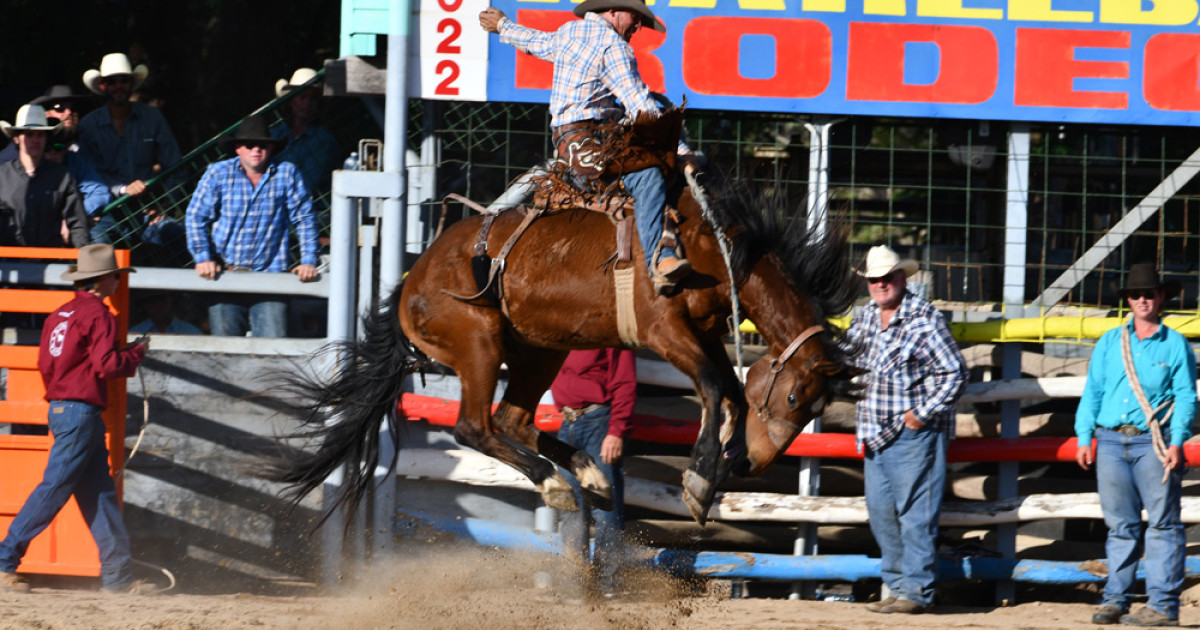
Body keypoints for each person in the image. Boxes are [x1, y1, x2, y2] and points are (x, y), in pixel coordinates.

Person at [479, 0, 694, 294]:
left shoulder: (570, 32)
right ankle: (660, 259)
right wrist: (681, 152)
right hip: (591, 142)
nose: (638, 26)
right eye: (635, 17)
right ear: (614, 10)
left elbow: (536, 42)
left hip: (574, 141)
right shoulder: (614, 47)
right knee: (649, 176)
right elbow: (642, 108)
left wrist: (502, 25)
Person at [0, 244, 153, 595]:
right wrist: (135, 354)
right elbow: (106, 365)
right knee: (56, 487)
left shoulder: (60, 315)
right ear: (104, 279)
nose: (118, 281)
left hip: (64, 408)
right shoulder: (100, 315)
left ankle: (118, 576)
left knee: (97, 491)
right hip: (81, 411)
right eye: (116, 276)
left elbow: (47, 364)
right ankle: (4, 559)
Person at [848, 245, 968, 615]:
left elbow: (955, 372)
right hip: (874, 432)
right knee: (882, 513)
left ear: (902, 278)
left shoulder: (923, 317)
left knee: (916, 516)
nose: (881, 284)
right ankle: (900, 586)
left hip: (912, 433)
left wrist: (921, 413)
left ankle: (915, 592)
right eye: (875, 279)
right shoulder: (864, 317)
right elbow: (846, 358)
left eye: (887, 277)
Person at [1075, 263, 1196, 627]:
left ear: (1161, 297)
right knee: (1120, 525)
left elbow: (1186, 397)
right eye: (1135, 294)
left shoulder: (1175, 344)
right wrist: (1085, 436)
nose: (1142, 299)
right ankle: (1117, 598)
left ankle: (1161, 606)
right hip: (1111, 441)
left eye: (1149, 293)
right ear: (1127, 299)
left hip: (1152, 443)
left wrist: (1177, 442)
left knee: (1162, 524)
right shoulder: (1110, 341)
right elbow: (1093, 391)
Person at [184, 114, 319, 337]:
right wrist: (203, 258)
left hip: (272, 277)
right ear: (238, 148)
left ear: (271, 148)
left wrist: (308, 261)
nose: (256, 149)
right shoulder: (218, 173)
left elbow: (305, 218)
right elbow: (195, 217)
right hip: (224, 275)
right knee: (225, 351)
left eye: (263, 144)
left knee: (273, 349)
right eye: (249, 144)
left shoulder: (287, 173)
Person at [549, 348, 637, 598]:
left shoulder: (609, 332)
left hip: (598, 420)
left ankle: (608, 586)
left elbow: (625, 381)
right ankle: (576, 586)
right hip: (568, 423)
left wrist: (617, 430)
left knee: (605, 507)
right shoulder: (563, 330)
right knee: (570, 509)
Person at [78, 53, 181, 201]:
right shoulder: (88, 126)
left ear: (132, 83)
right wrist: (123, 190)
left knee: (169, 225)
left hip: (149, 205)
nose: (118, 86)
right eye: (112, 81)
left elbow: (175, 166)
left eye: (124, 80)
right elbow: (90, 174)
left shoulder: (152, 117)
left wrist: (165, 205)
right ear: (103, 86)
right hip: (108, 210)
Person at [0, 104, 90, 248]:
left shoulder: (62, 176)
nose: (35, 140)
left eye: (40, 134)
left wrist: (83, 260)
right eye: (29, 134)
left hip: (51, 262)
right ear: (16, 139)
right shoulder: (2, 176)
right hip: (8, 263)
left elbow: (78, 224)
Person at [271, 68, 338, 211]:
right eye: (302, 97)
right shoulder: (276, 134)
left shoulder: (324, 140)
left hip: (312, 210)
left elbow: (308, 182)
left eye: (313, 99)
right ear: (291, 101)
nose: (307, 103)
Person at [129, 291, 202, 335]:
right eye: (151, 300)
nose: (157, 305)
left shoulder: (191, 332)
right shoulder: (134, 333)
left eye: (162, 299)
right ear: (144, 304)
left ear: (171, 299)